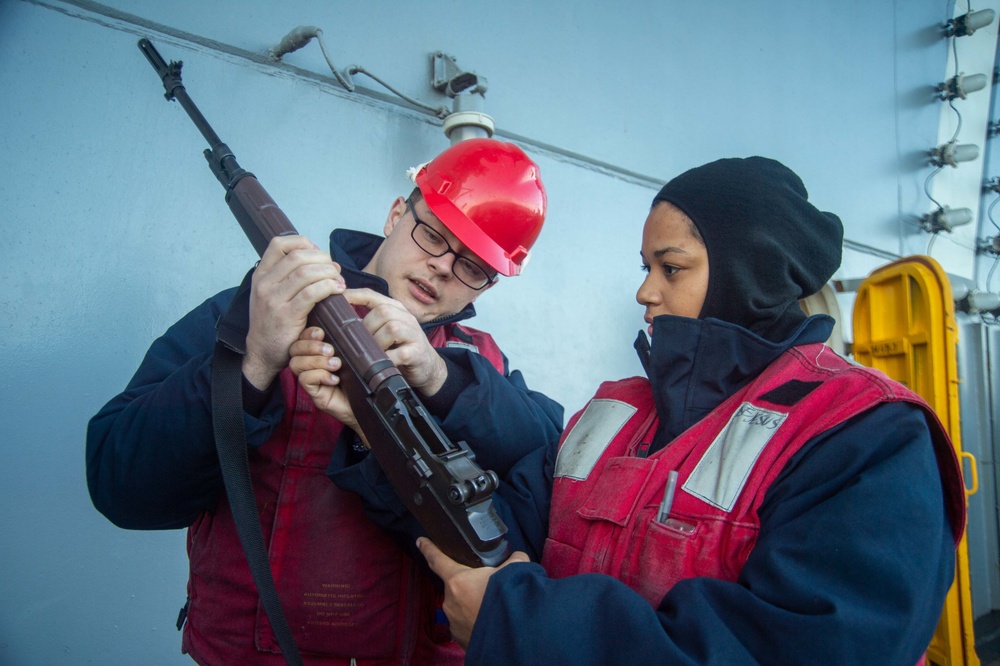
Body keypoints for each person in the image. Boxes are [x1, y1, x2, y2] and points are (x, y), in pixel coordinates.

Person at [297, 156, 967, 664]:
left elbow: (798, 648)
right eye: (645, 265)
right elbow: (491, 526)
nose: (644, 291)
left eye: (671, 268)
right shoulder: (614, 410)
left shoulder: (868, 436)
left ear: (751, 274)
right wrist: (374, 427)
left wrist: (519, 624)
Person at [86, 138, 564, 665]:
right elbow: (120, 481)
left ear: (488, 286)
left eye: (474, 266)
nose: (444, 268)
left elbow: (544, 460)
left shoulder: (478, 362)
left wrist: (438, 378)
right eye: (434, 235)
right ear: (396, 214)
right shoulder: (258, 313)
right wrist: (255, 363)